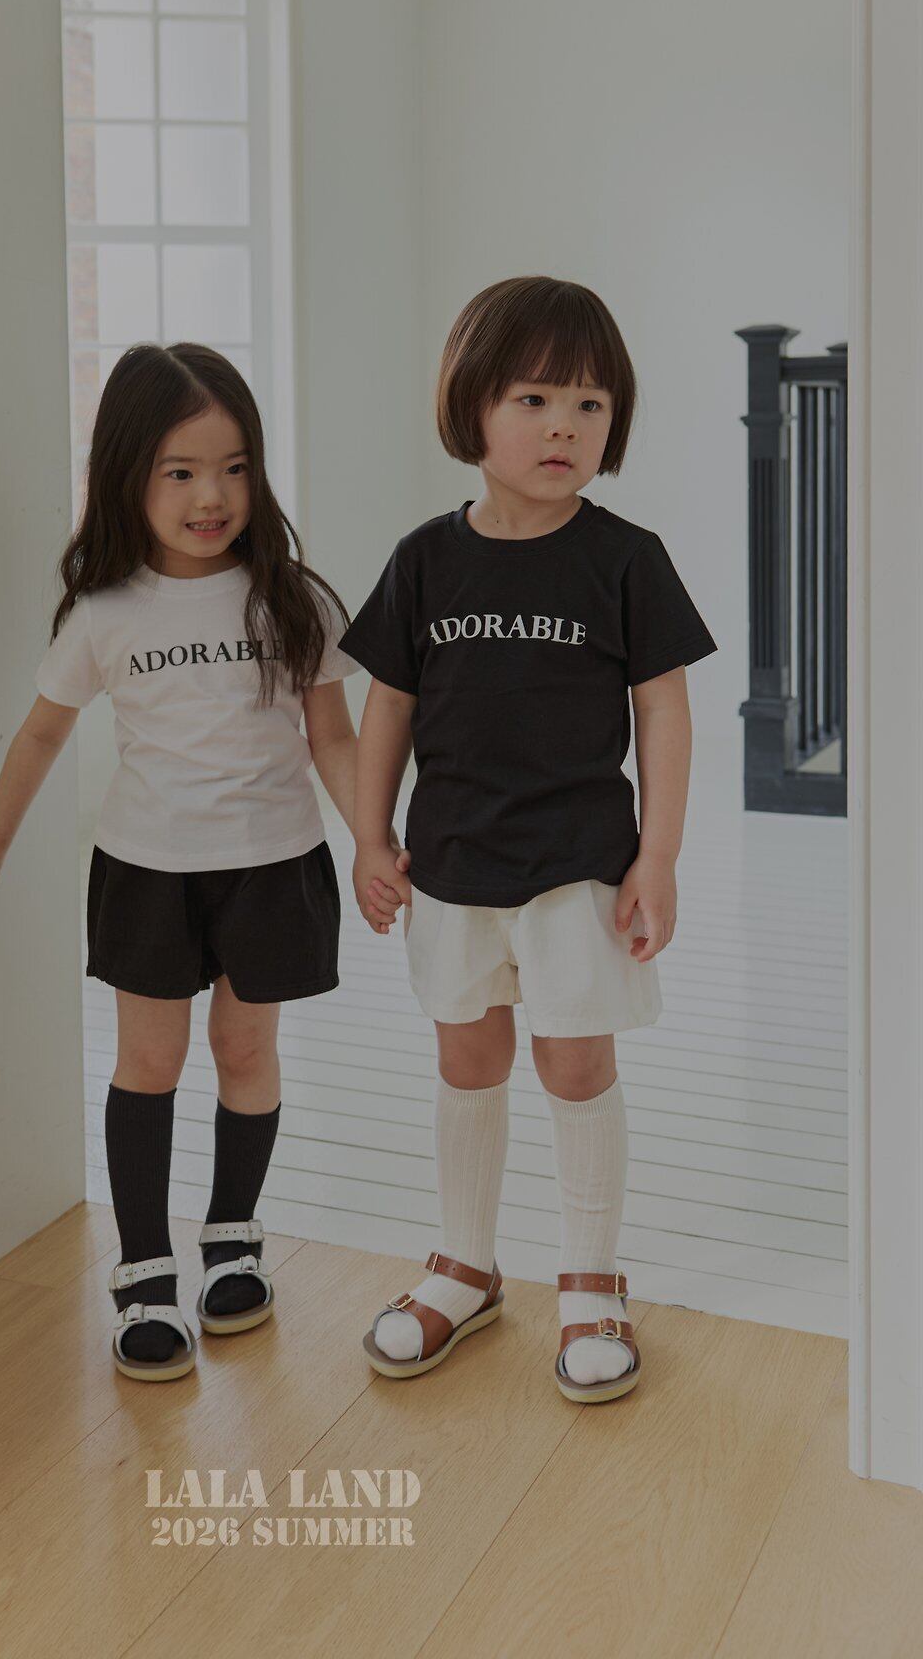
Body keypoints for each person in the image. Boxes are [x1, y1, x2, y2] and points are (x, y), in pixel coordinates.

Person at [0, 343, 358, 1382]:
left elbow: (333, 740)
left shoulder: (292, 600)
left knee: (246, 1052)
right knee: (149, 1063)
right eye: (181, 471)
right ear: (128, 475)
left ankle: (232, 1239)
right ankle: (144, 1268)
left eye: (235, 467)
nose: (212, 496)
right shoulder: (106, 612)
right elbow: (42, 733)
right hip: (148, 871)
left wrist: (380, 841)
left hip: (273, 863)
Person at [340, 276, 717, 1402]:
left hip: (578, 869)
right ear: (471, 406)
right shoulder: (424, 558)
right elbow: (387, 707)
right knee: (468, 1058)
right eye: (535, 399)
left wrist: (658, 855)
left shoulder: (625, 558)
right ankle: (464, 1266)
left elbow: (662, 711)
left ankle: (591, 1279)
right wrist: (368, 836)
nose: (564, 427)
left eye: (590, 405)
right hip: (452, 864)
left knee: (574, 1061)